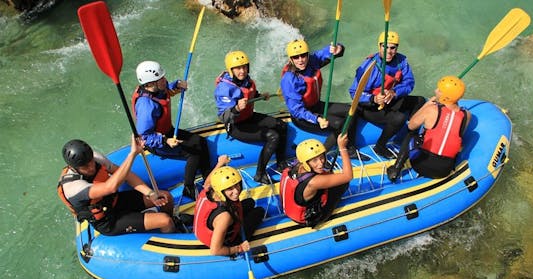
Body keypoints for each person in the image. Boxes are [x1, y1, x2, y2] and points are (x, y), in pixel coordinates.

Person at [57, 136, 180, 235]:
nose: (91, 167)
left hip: (116, 201)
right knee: (165, 220)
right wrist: (132, 154)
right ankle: (171, 236)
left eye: (91, 162)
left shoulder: (95, 158)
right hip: (107, 220)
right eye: (85, 167)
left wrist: (150, 193)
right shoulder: (73, 187)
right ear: (74, 168)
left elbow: (126, 175)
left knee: (166, 197)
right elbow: (110, 187)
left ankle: (171, 226)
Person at [132, 60, 211, 200]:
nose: (164, 80)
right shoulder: (146, 106)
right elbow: (144, 136)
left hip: (167, 132)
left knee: (200, 141)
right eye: (160, 79)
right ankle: (188, 187)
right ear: (150, 84)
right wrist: (165, 140)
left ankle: (208, 178)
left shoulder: (156, 87)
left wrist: (177, 85)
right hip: (157, 141)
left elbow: (167, 89)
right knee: (194, 153)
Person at [280, 39, 366, 160]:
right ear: (291, 59)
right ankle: (323, 154)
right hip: (303, 116)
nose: (301, 60)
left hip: (317, 105)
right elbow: (297, 111)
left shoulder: (312, 61)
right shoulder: (289, 79)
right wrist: (317, 119)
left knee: (352, 110)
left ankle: (350, 148)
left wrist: (338, 49)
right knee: (339, 124)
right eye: (296, 57)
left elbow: (329, 52)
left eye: (303, 55)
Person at [215, 50, 289, 184]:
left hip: (249, 117)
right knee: (273, 136)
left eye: (244, 67)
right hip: (236, 126)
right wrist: (236, 108)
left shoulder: (246, 81)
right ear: (231, 70)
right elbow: (223, 117)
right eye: (238, 68)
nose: (242, 71)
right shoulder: (224, 89)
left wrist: (259, 95)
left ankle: (281, 162)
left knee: (281, 125)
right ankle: (260, 174)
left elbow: (249, 94)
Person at [349, 31, 425, 159]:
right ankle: (380, 146)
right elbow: (353, 92)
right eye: (385, 47)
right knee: (399, 118)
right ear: (379, 47)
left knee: (419, 100)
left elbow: (409, 83)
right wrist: (374, 98)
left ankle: (410, 136)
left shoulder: (402, 61)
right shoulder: (369, 66)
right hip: (369, 106)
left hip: (389, 100)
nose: (388, 51)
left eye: (392, 48)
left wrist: (395, 92)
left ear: (396, 48)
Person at [387, 76, 471, 181]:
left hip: (420, 165)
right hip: (444, 170)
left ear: (446, 96)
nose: (436, 91)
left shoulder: (432, 109)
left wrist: (426, 105)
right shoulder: (467, 115)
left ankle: (396, 169)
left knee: (412, 134)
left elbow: (411, 125)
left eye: (439, 90)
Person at [193, 156, 264, 256]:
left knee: (250, 202)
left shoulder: (208, 189)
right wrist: (239, 248)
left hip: (213, 223)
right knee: (259, 211)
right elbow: (215, 251)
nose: (236, 192)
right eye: (230, 189)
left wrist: (220, 163)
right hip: (228, 241)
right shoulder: (224, 217)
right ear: (220, 190)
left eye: (237, 185)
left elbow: (209, 180)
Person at [279, 134, 352, 227]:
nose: (320, 163)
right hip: (309, 218)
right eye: (314, 160)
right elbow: (348, 176)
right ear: (305, 162)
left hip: (291, 210)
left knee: (327, 174)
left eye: (322, 157)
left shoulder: (293, 167)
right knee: (343, 183)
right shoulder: (313, 182)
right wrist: (342, 148)